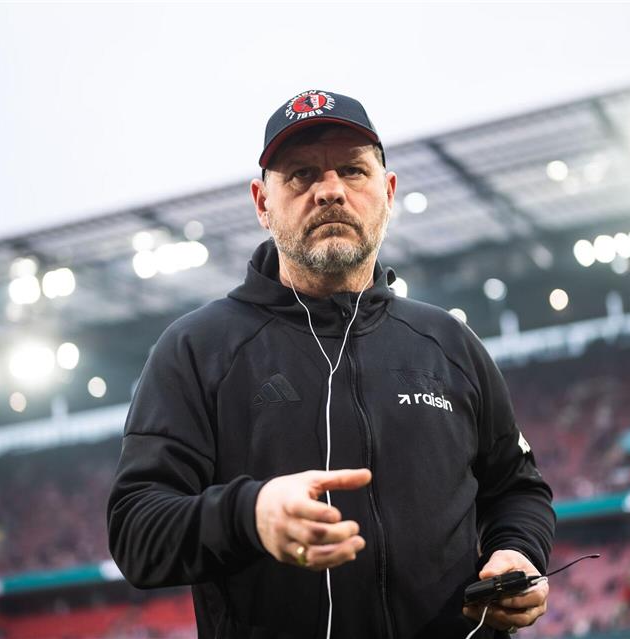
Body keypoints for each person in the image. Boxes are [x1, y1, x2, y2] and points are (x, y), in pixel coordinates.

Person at [107, 89, 556, 639]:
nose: (329, 192)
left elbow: (517, 489)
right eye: (299, 176)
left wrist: (518, 552)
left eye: (352, 170)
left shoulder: (449, 343)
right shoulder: (197, 349)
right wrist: (250, 515)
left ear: (388, 193)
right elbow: (135, 531)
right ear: (261, 204)